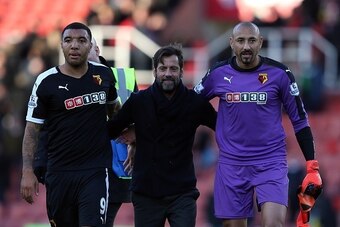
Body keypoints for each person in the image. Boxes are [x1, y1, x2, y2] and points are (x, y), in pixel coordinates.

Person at [194, 22, 323, 227]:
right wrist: (215, 123)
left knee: (273, 224)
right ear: (232, 43)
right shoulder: (218, 73)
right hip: (231, 163)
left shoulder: (280, 74)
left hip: (270, 162)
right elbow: (191, 106)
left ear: (260, 42)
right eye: (241, 40)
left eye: (252, 40)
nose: (246, 46)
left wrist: (311, 165)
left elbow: (300, 120)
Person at [20, 22, 119, 227]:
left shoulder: (104, 75)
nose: (74, 45)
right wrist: (27, 171)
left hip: (95, 170)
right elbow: (32, 130)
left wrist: (130, 131)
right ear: (61, 45)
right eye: (68, 40)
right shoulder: (46, 81)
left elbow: (114, 109)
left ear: (90, 45)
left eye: (81, 41)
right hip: (59, 173)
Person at [107, 43, 217, 227]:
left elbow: (223, 127)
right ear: (154, 71)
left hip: (183, 192)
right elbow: (110, 129)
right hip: (146, 194)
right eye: (163, 68)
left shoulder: (194, 103)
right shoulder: (139, 101)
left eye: (173, 69)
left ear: (181, 72)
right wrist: (134, 131)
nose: (167, 73)